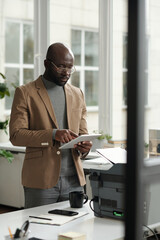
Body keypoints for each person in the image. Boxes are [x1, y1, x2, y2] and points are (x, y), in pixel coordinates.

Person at [9, 42, 92, 208]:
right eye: (61, 67)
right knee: (40, 232)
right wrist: (53, 134)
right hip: (41, 182)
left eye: (70, 68)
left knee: (73, 233)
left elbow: (83, 134)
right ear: (47, 64)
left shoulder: (78, 93)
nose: (66, 72)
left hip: (74, 181)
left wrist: (85, 147)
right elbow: (16, 135)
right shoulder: (25, 93)